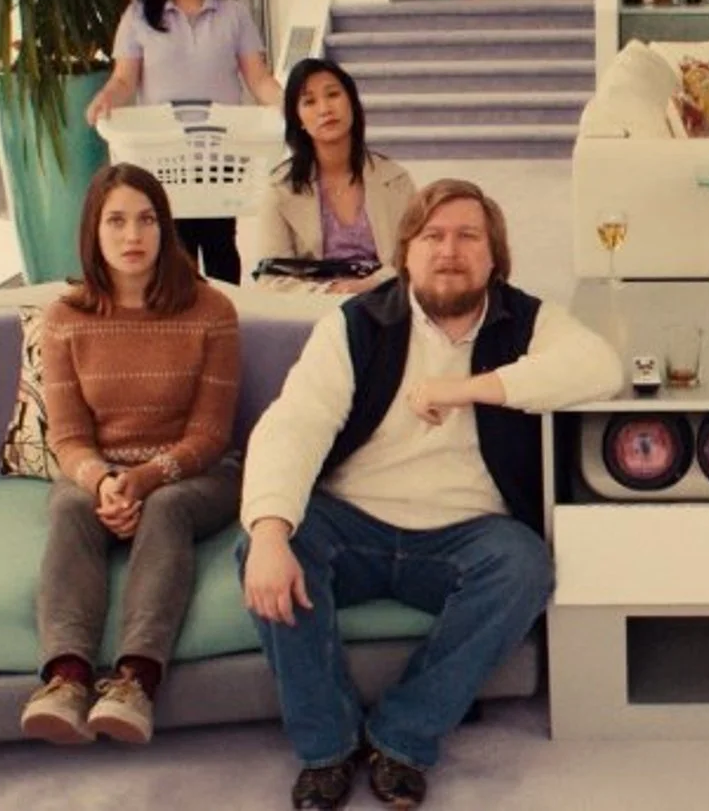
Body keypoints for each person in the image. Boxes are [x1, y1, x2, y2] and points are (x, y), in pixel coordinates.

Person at [237, 178, 624, 809]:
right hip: (354, 523)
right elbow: (295, 425)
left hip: (465, 536)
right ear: (406, 254)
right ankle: (327, 748)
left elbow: (599, 367)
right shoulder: (355, 325)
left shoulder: (528, 321)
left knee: (524, 565)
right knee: (269, 545)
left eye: (469, 236)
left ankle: (400, 738)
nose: (450, 251)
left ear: (494, 257)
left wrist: (464, 389)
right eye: (433, 236)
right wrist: (270, 531)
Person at [19, 163, 242, 746]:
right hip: (103, 474)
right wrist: (103, 483)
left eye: (146, 220)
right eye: (115, 221)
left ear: (166, 228)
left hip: (196, 474)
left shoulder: (211, 310)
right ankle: (67, 680)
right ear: (93, 231)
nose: (132, 235)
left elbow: (210, 435)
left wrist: (141, 480)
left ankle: (136, 683)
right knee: (69, 507)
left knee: (166, 508)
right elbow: (68, 438)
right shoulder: (65, 318)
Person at [87, 0, 283, 285]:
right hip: (166, 151)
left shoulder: (232, 13)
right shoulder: (140, 14)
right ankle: (182, 310)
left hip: (221, 148)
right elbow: (124, 79)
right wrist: (105, 97)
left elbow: (258, 78)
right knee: (176, 243)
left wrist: (288, 103)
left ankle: (227, 308)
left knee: (221, 241)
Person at [248, 59, 415, 294]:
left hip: (384, 301)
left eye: (333, 95)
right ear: (298, 119)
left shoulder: (395, 179)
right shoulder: (279, 188)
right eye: (309, 102)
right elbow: (271, 278)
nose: (325, 109)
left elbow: (414, 259)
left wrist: (368, 286)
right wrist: (333, 292)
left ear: (352, 103)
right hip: (311, 308)